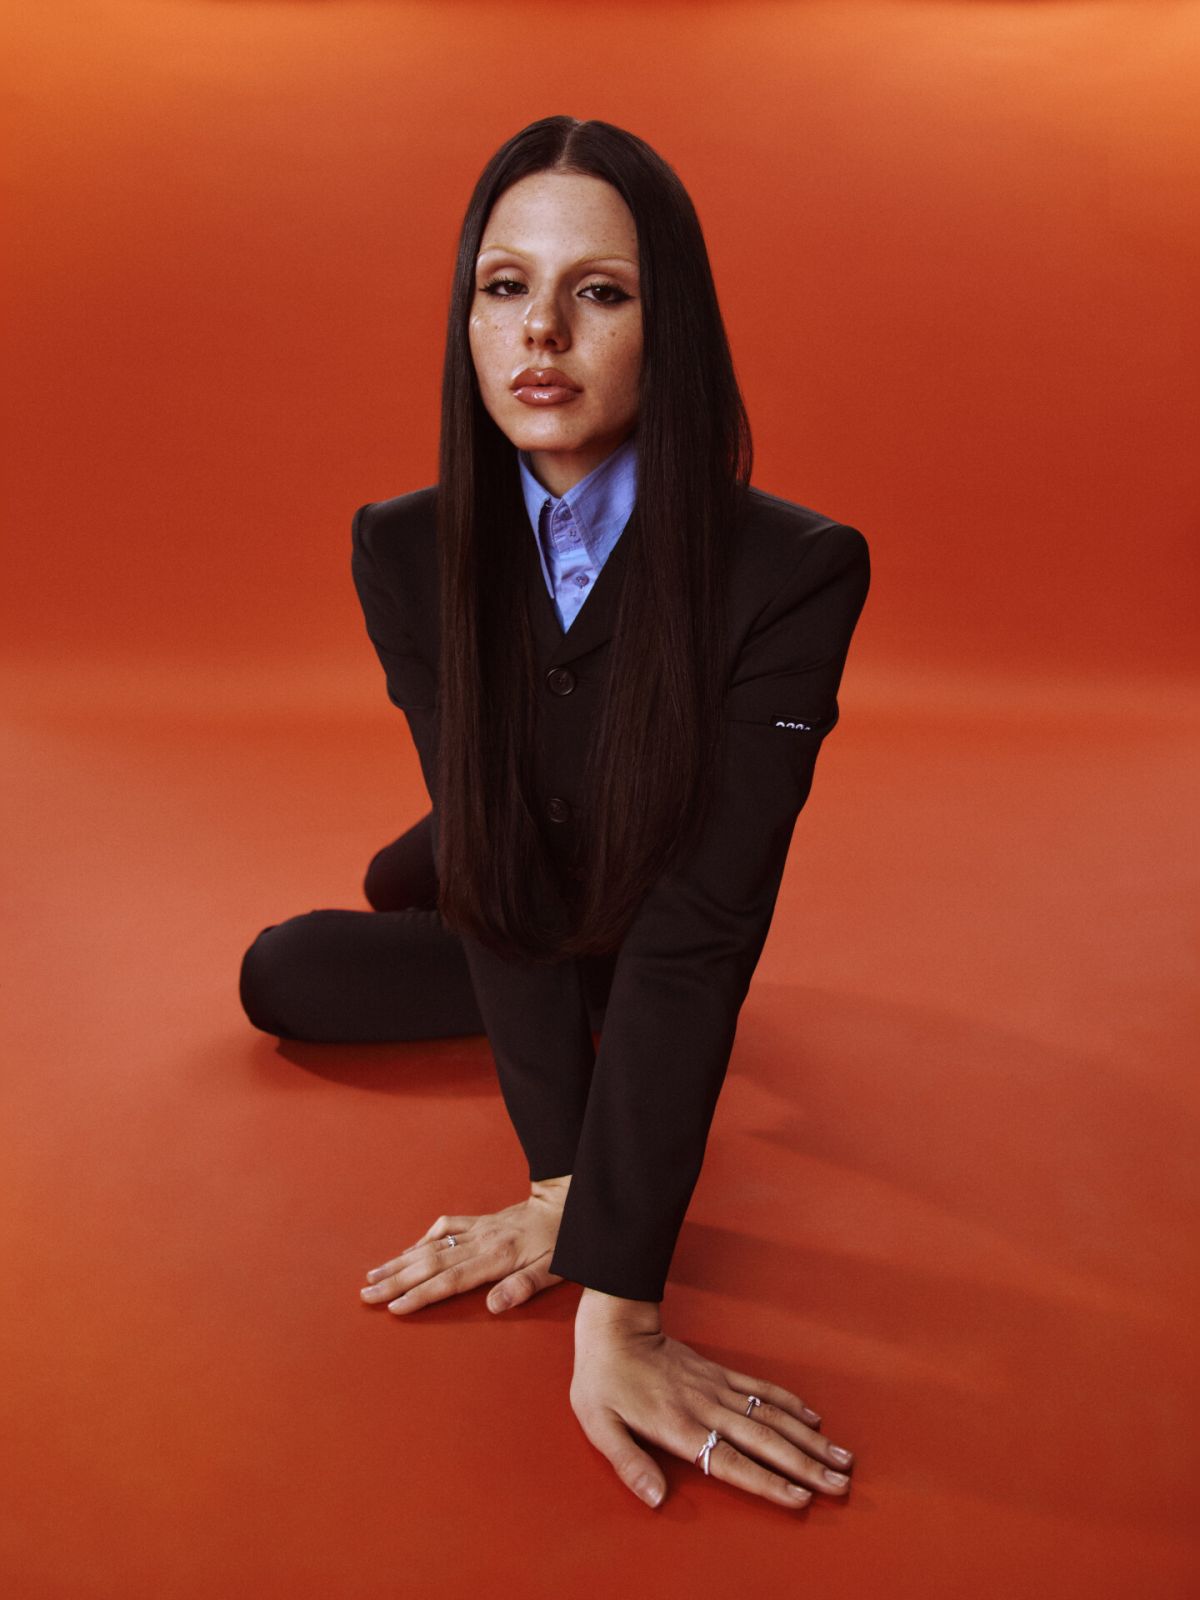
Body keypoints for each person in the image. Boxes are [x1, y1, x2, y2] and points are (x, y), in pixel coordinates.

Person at [239, 115, 870, 1512]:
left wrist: (612, 1289)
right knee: (302, 958)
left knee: (624, 938)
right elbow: (484, 840)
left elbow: (705, 932)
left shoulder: (796, 569)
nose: (543, 331)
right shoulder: (401, 545)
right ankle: (577, 962)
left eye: (601, 292)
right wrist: (558, 1171)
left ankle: (593, 958)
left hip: (662, 870)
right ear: (468, 318)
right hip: (514, 854)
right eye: (505, 285)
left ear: (668, 325)